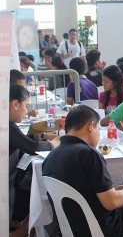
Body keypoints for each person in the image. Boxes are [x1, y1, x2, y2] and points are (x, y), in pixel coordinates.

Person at [42, 105, 123, 236]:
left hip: (71, 229)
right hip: (103, 228)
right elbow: (112, 203)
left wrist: (114, 191)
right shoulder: (88, 154)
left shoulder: (50, 157)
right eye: (98, 129)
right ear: (91, 126)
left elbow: (82, 193)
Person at [9, 84, 60, 234]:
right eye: (25, 106)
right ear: (15, 104)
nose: (26, 111)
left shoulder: (9, 124)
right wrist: (53, 144)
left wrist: (41, 136)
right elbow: (32, 147)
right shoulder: (7, 125)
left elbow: (22, 140)